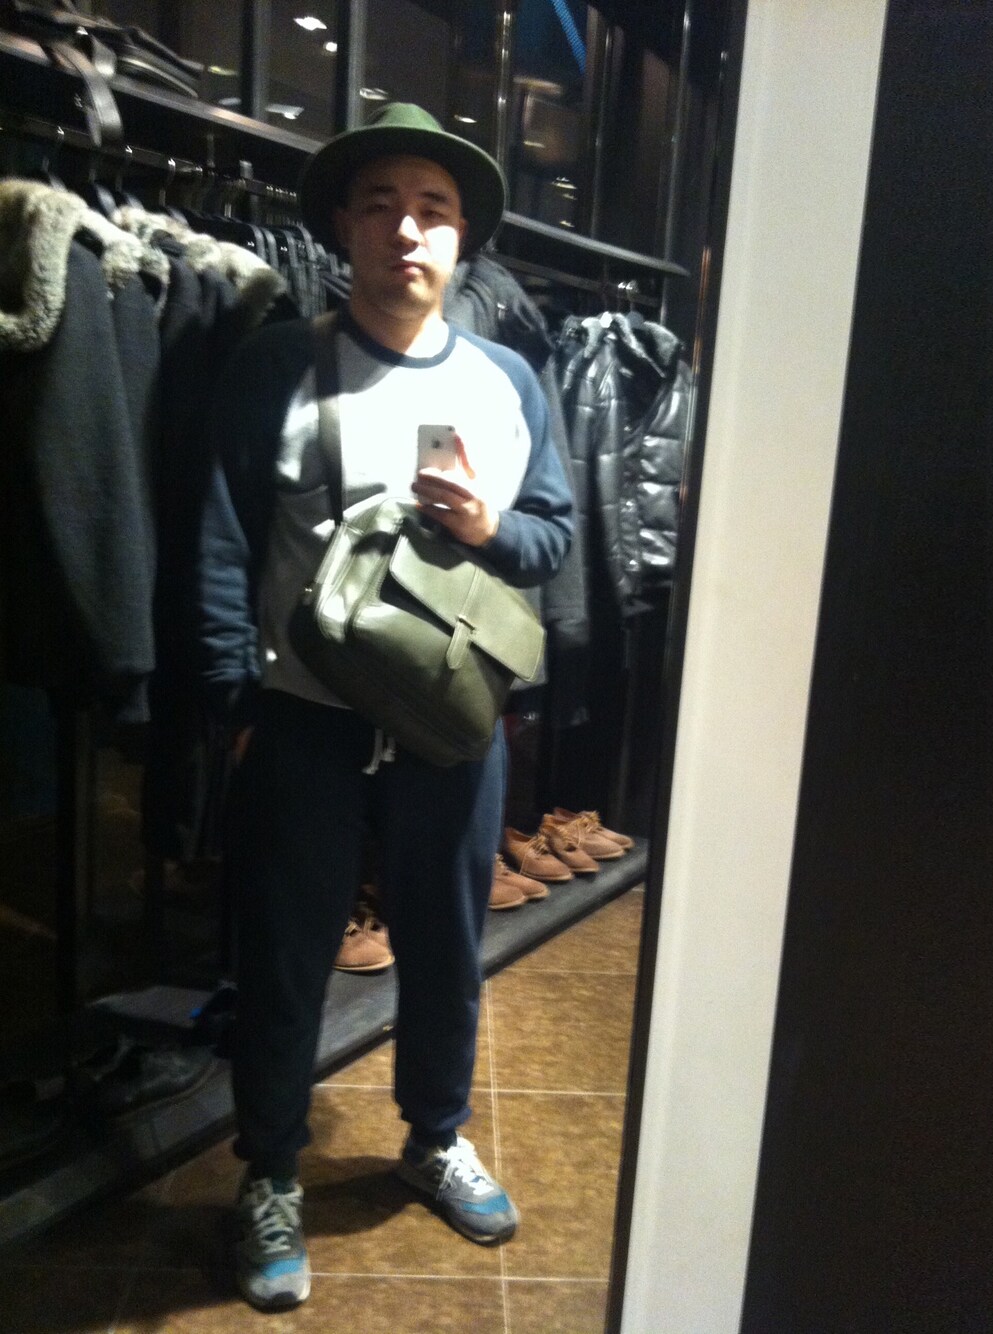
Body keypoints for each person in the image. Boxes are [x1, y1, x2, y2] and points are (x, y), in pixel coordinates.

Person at [196, 102, 574, 1312]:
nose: (407, 229)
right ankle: (269, 1168)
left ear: (463, 239)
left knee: (448, 947)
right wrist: (229, 700)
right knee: (285, 955)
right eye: (381, 204)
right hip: (302, 717)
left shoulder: (509, 378)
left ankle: (434, 1133)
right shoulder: (275, 364)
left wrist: (487, 527)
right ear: (344, 228)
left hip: (450, 723)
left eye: (433, 208)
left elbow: (552, 537)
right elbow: (217, 537)